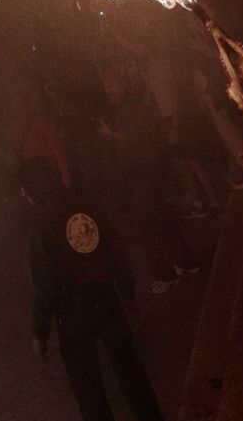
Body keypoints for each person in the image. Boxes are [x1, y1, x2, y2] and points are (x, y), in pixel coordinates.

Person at [20, 157, 166, 421]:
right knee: (129, 368)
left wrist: (40, 330)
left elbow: (43, 285)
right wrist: (127, 292)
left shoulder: (40, 228)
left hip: (73, 313)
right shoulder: (85, 206)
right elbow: (116, 249)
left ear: (31, 191)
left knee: (87, 385)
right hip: (106, 298)